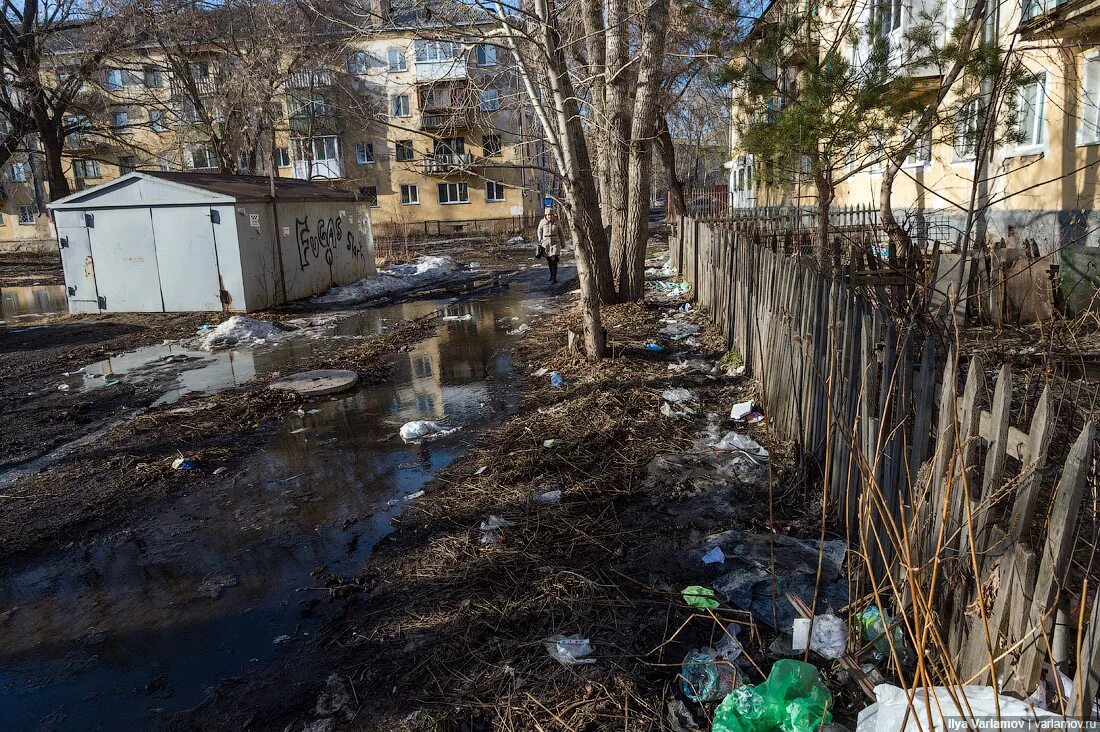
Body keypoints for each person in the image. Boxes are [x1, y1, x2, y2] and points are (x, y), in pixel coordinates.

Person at [536, 207, 562, 284]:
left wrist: (563, 244)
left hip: (555, 242)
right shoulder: (542, 222)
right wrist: (540, 239)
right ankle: (551, 275)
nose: (549, 216)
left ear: (553, 215)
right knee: (549, 260)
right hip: (546, 243)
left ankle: (554, 277)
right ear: (545, 215)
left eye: (550, 215)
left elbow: (561, 233)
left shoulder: (557, 222)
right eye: (547, 215)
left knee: (554, 259)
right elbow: (539, 231)